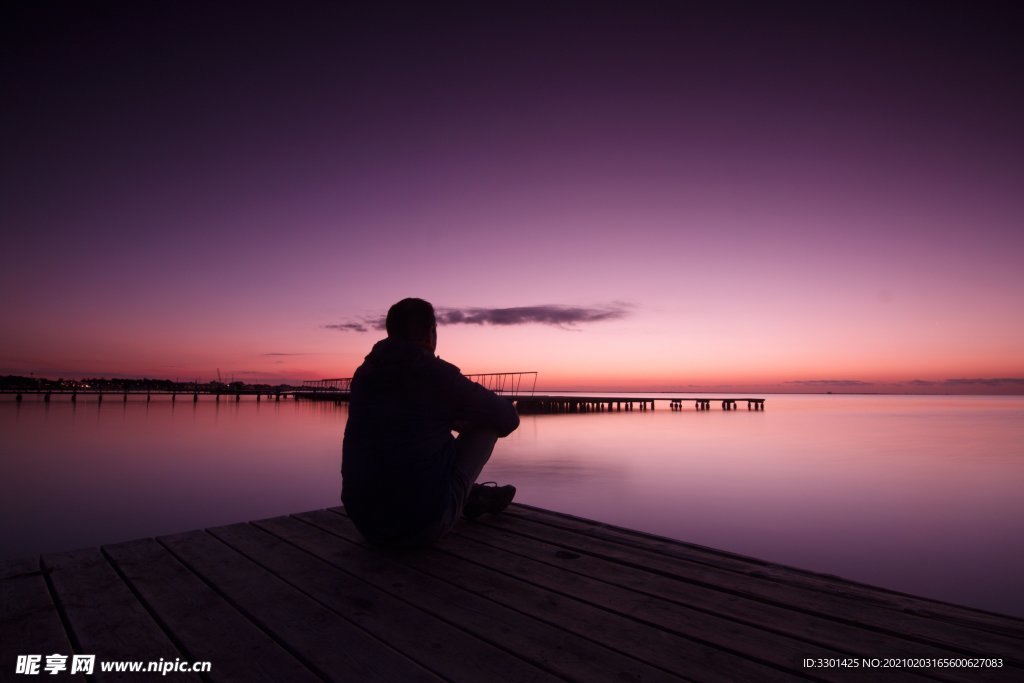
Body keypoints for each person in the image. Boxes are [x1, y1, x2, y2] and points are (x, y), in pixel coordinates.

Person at [341, 297, 520, 547]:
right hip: (420, 527)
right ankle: (466, 497)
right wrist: (463, 421)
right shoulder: (435, 374)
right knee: (487, 424)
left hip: (365, 522)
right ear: (430, 332)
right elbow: (508, 419)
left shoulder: (364, 374)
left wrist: (446, 418)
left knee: (420, 435)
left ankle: (471, 497)